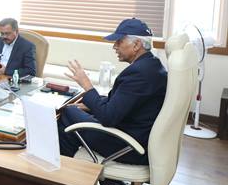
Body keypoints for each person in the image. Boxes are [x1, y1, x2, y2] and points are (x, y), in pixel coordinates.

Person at [58, 18, 167, 165]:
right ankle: (75, 169)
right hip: (134, 133)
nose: (114, 46)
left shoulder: (139, 74)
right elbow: (124, 102)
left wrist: (86, 84)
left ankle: (65, 171)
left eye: (119, 42)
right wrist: (91, 105)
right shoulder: (152, 65)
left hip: (128, 145)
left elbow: (108, 117)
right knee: (76, 112)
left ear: (136, 45)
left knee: (68, 112)